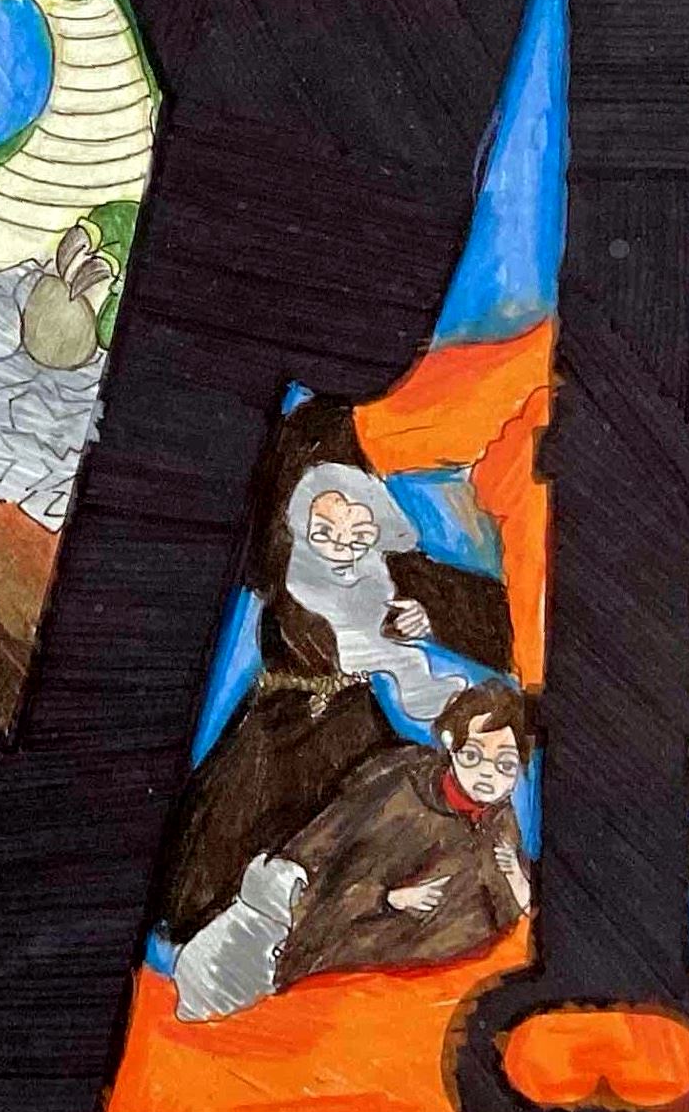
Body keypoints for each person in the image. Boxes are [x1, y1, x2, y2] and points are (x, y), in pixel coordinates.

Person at [156, 399, 516, 944]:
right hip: (278, 727)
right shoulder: (281, 568)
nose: (343, 549)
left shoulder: (385, 568)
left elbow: (494, 618)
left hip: (352, 726)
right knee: (224, 849)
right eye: (325, 532)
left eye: (358, 533)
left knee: (360, 827)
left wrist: (428, 617)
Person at [173, 680, 536, 1020]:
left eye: (505, 764)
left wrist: (516, 883)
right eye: (473, 755)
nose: (487, 774)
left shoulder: (499, 822)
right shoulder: (401, 790)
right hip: (330, 956)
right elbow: (330, 870)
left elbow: (504, 912)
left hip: (422, 987)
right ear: (450, 743)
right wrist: (387, 898)